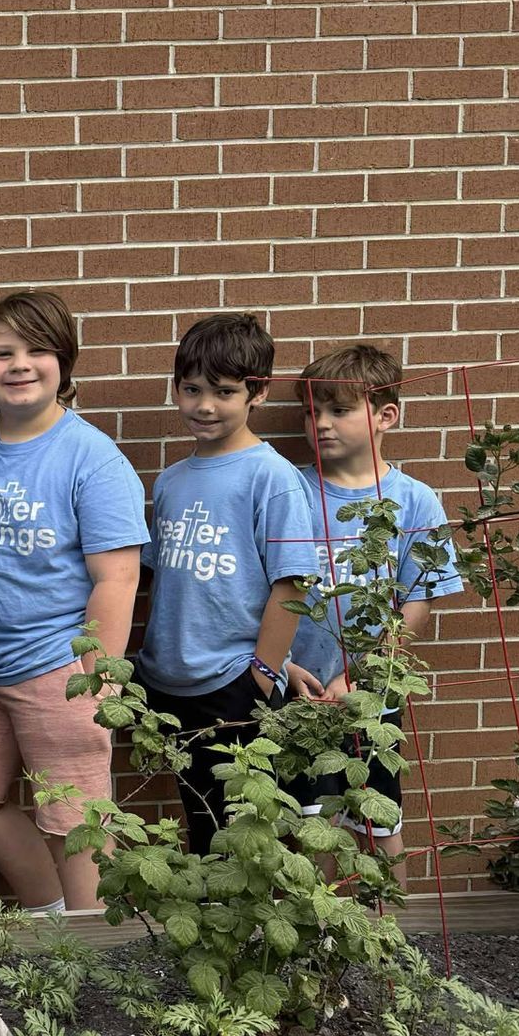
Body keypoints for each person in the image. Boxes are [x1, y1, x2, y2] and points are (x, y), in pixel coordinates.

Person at [0, 291, 146, 913]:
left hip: (61, 668)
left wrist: (97, 678)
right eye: (3, 352)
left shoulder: (93, 459)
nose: (20, 364)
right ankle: (54, 920)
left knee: (77, 826)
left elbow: (118, 579)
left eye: (37, 350)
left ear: (64, 362)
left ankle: (104, 958)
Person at [133, 313, 312, 857]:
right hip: (170, 680)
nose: (204, 405)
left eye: (224, 392)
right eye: (191, 389)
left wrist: (264, 670)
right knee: (199, 816)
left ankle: (250, 935)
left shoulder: (272, 477)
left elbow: (294, 584)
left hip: (233, 682)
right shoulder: (171, 479)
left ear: (257, 393)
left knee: (241, 829)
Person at [282, 345, 463, 879]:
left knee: (378, 819)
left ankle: (393, 935)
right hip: (296, 689)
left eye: (339, 410)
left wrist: (358, 674)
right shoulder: (288, 490)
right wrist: (285, 667)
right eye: (312, 412)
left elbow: (418, 602)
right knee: (307, 821)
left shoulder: (415, 502)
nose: (322, 423)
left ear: (386, 415)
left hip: (372, 694)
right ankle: (318, 943)